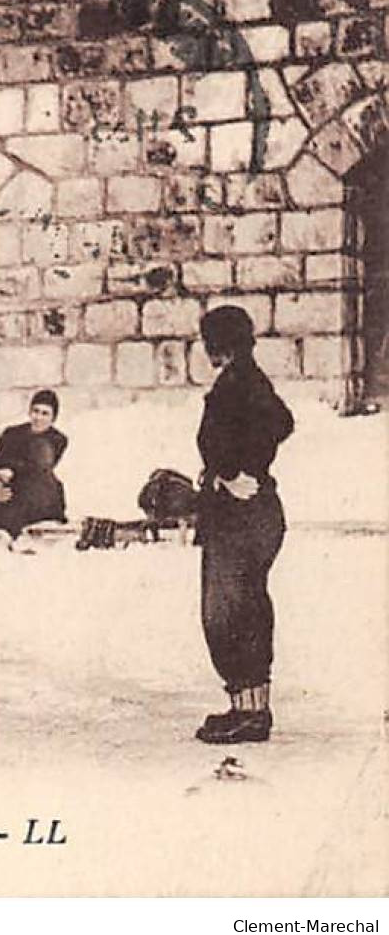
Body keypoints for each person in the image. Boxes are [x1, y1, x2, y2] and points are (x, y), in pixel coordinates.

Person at [192, 305, 294, 744]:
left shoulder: (240, 383)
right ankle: (245, 707)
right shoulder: (245, 379)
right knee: (238, 609)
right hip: (246, 513)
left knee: (230, 613)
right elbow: (281, 422)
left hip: (243, 516)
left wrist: (237, 471)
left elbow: (274, 425)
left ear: (220, 343)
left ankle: (252, 714)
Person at [0, 389, 68, 545]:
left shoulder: (57, 439)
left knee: (25, 496)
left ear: (53, 418)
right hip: (8, 486)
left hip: (39, 489)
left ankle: (5, 529)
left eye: (45, 413)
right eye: (35, 411)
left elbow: (38, 468)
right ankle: (1, 522)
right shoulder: (11, 433)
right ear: (29, 412)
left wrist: (9, 471)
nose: (38, 418)